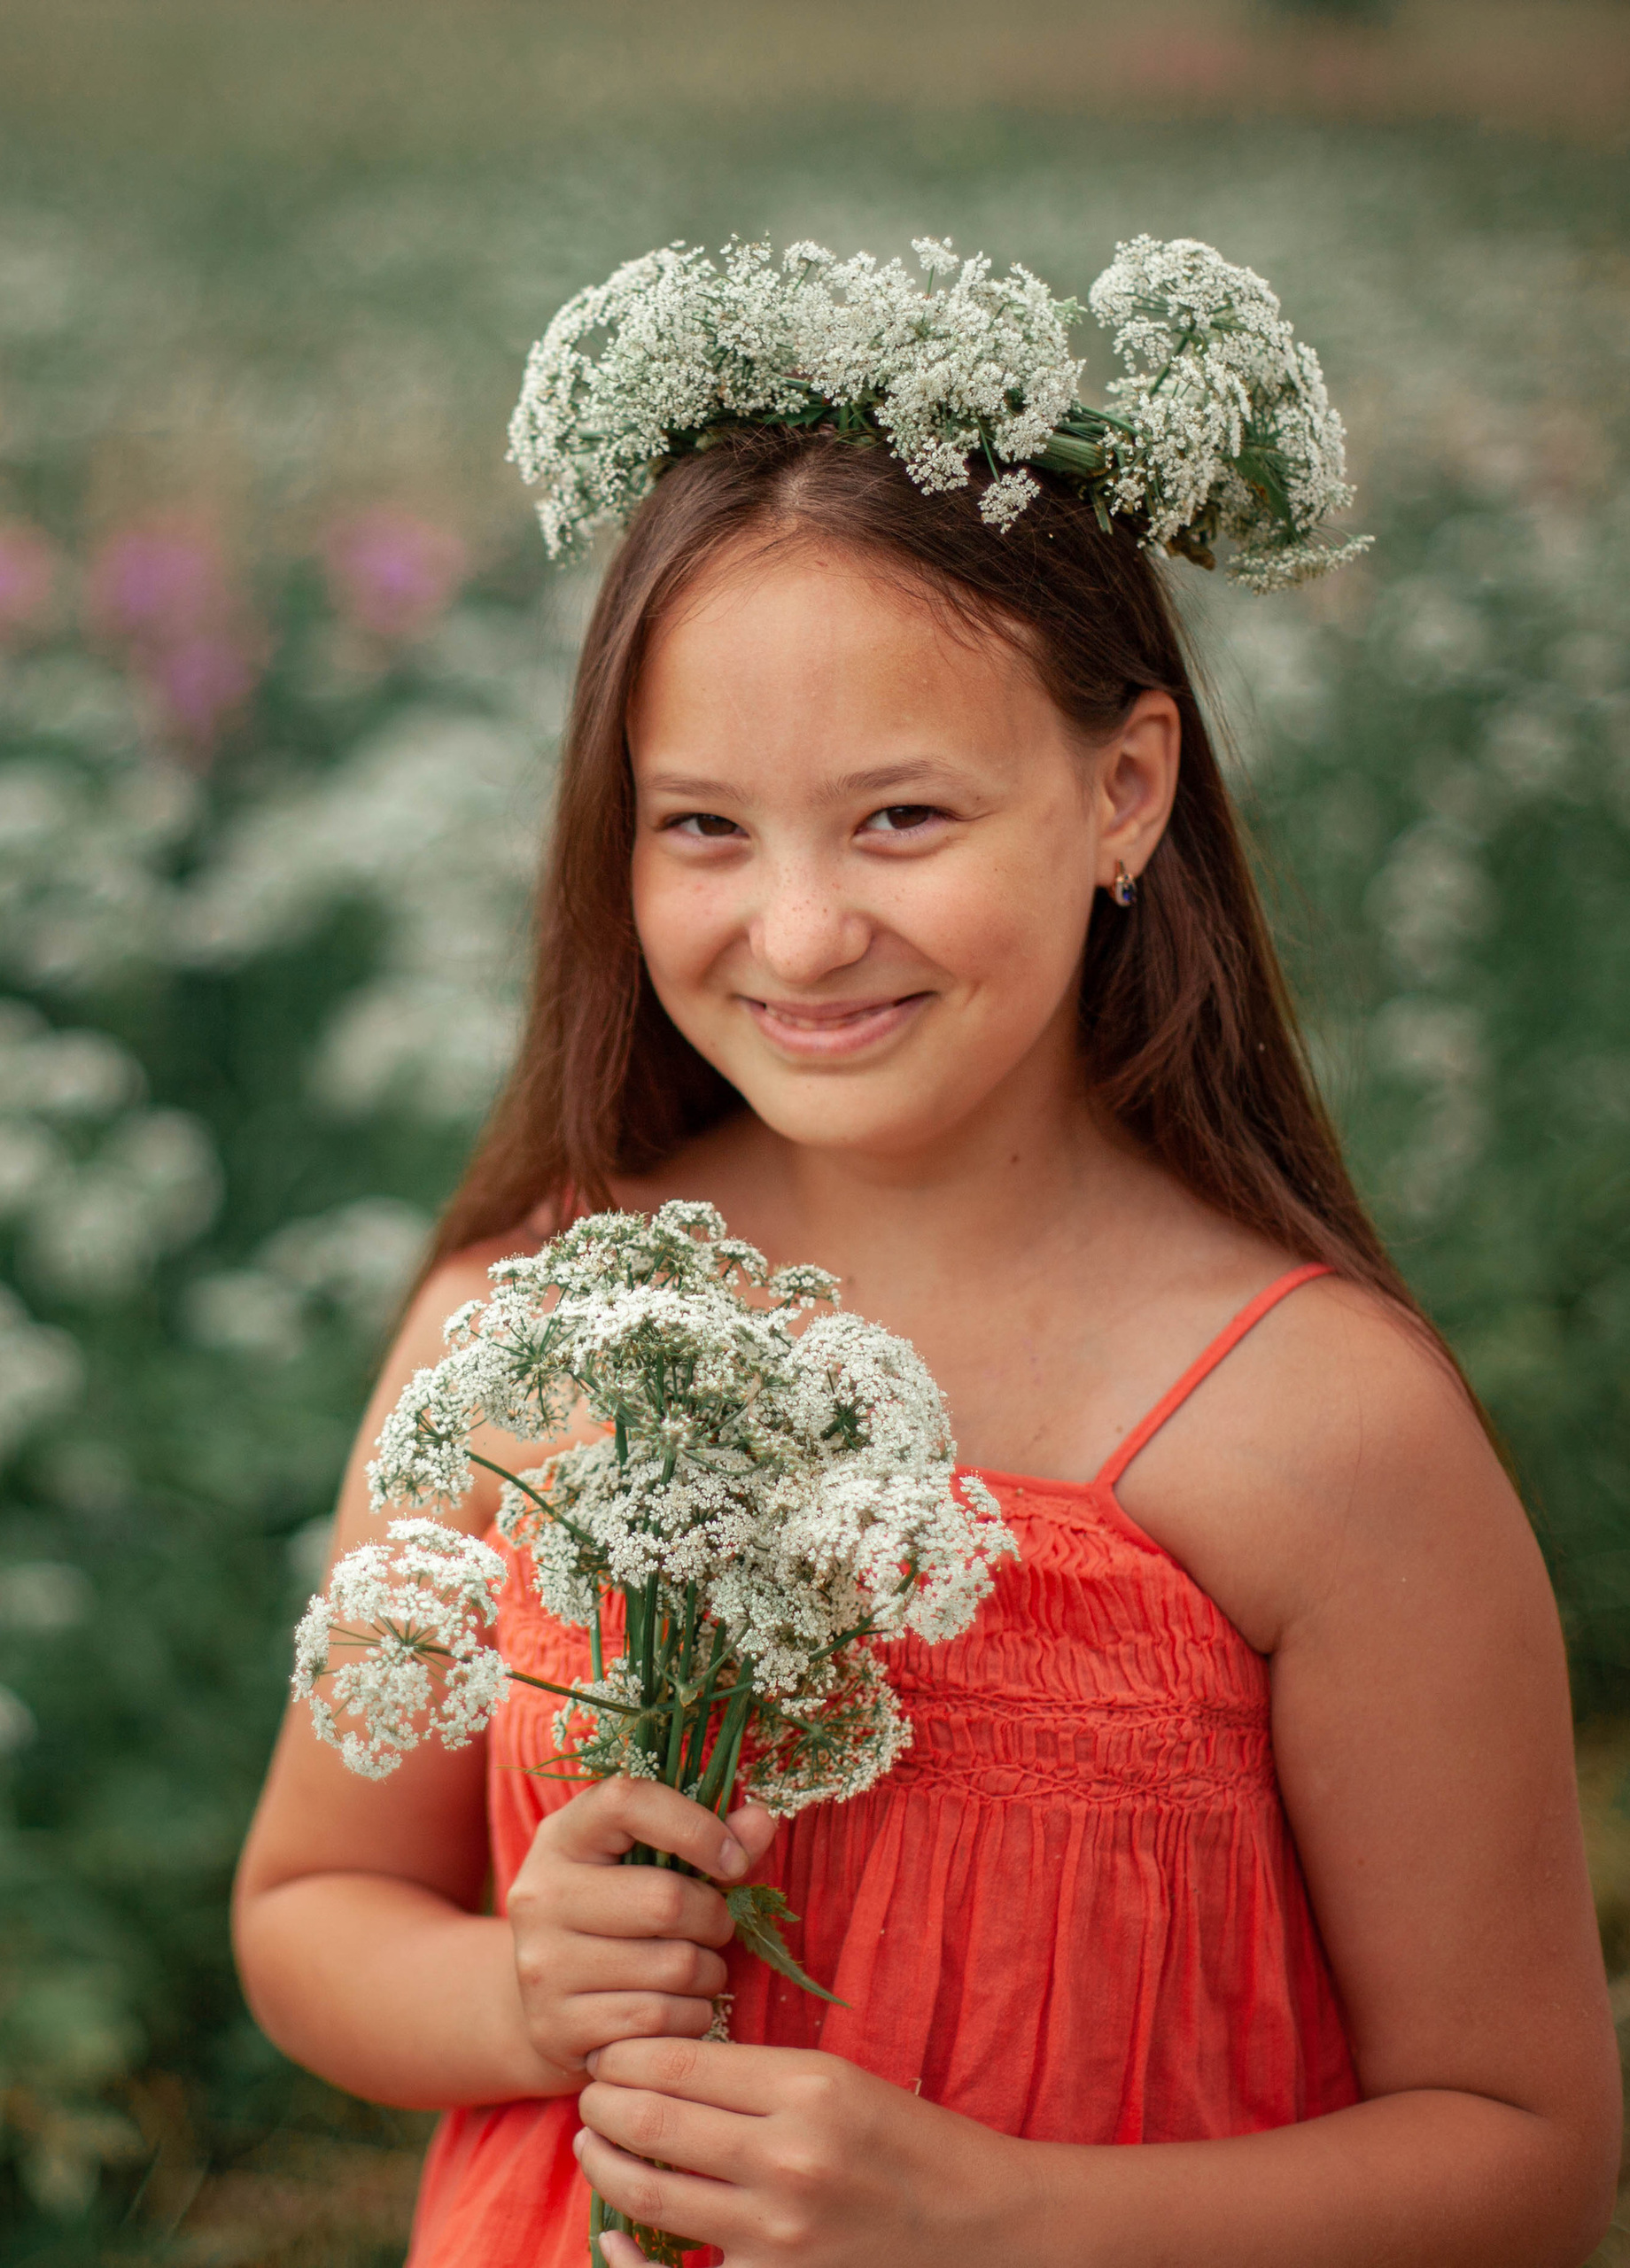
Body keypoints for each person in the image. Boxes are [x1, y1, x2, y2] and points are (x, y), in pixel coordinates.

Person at [232, 237, 1620, 2267]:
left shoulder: (1319, 1426)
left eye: (898, 819)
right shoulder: (525, 1322)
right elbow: (306, 1911)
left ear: (1122, 788)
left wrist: (996, 2214)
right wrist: (516, 1995)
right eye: (700, 826)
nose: (794, 934)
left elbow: (1525, 2155)